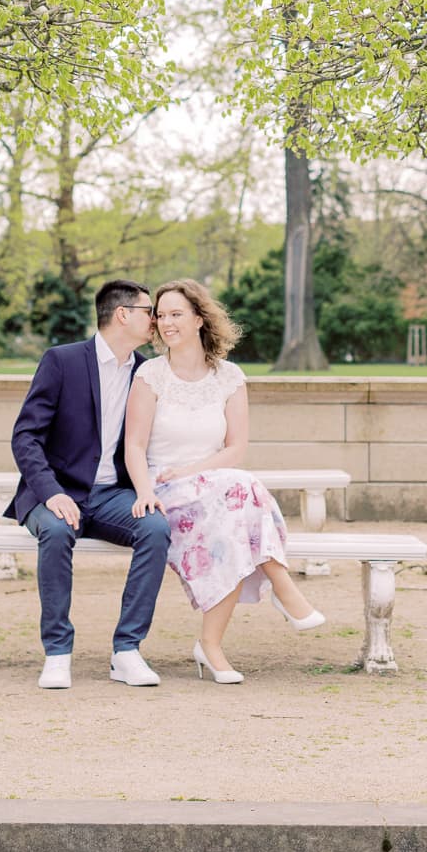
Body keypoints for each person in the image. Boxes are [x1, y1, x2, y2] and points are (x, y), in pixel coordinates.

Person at [124, 277, 326, 683]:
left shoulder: (229, 377)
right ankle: (284, 590)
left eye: (176, 314)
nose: (166, 323)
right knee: (242, 491)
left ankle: (210, 645)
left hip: (219, 491)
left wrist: (193, 471)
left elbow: (236, 448)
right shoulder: (150, 375)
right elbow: (133, 445)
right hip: (165, 491)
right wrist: (146, 491)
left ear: (199, 318)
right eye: (160, 316)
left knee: (235, 515)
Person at [5, 278, 172, 690]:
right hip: (56, 492)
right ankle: (58, 653)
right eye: (149, 311)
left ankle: (127, 651)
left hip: (114, 494)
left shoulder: (146, 373)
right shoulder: (62, 360)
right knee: (57, 531)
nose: (155, 320)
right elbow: (25, 436)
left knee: (155, 529)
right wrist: (52, 492)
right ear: (122, 315)